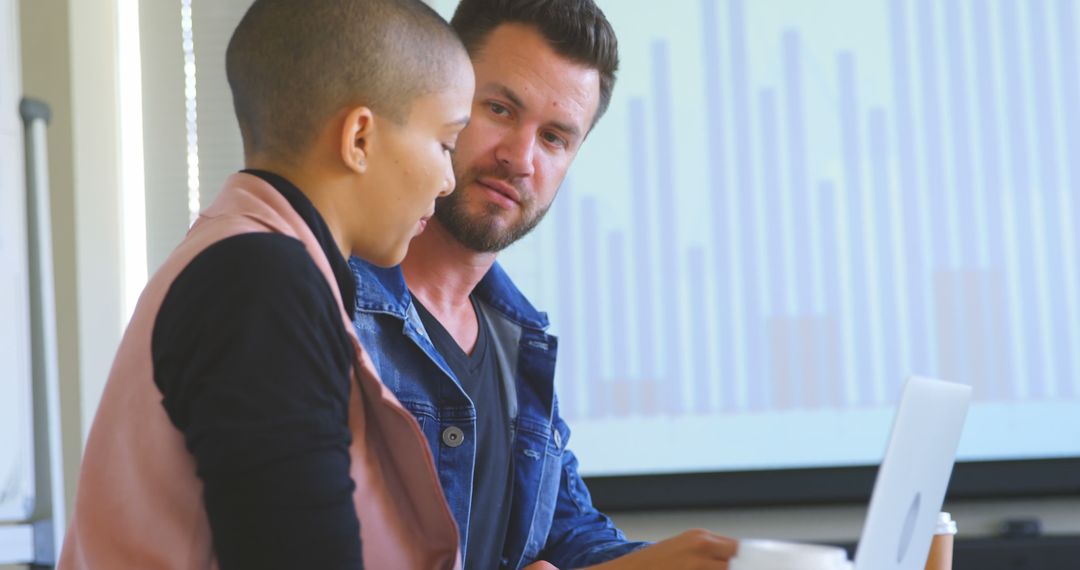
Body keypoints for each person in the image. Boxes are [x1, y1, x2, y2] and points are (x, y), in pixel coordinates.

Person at [59, 0, 473, 568]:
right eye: (447, 143)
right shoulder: (261, 286)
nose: (449, 181)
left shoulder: (250, 260)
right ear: (359, 138)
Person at [348, 0, 739, 568]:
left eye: (555, 138)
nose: (521, 158)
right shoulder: (327, 305)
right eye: (501, 109)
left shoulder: (518, 339)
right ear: (436, 98)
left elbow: (568, 537)